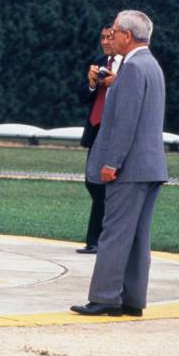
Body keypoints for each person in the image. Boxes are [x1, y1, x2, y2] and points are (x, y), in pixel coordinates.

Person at [72, 10, 168, 317]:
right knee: (139, 237)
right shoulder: (151, 65)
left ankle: (105, 296)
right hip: (150, 166)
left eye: (114, 32)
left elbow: (125, 123)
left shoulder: (133, 69)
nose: (110, 36)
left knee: (113, 232)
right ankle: (132, 298)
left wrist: (112, 162)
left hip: (129, 169)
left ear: (128, 35)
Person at [75, 24, 121, 254]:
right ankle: (99, 236)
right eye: (102, 37)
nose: (105, 42)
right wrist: (93, 83)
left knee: (103, 186)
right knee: (92, 181)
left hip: (115, 128)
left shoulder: (129, 66)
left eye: (110, 37)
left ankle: (95, 239)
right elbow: (83, 95)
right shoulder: (99, 61)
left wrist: (116, 84)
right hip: (96, 127)